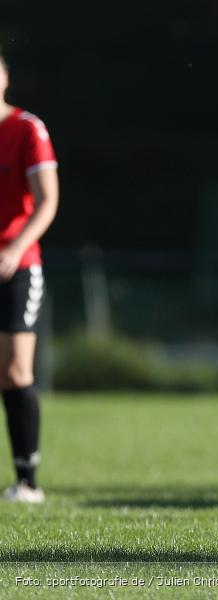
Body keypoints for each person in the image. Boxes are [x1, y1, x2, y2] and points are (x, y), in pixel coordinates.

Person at [0, 50, 59, 503]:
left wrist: (16, 247)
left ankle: (27, 481)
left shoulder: (26, 129)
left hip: (17, 268)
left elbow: (46, 201)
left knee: (16, 370)